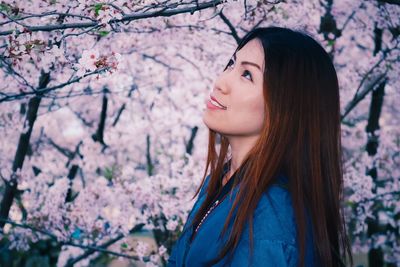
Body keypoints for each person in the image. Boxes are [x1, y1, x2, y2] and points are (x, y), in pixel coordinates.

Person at [167, 26, 353, 267]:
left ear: (286, 106)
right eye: (232, 64)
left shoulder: (272, 219)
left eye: (247, 75)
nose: (221, 82)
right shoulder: (221, 180)